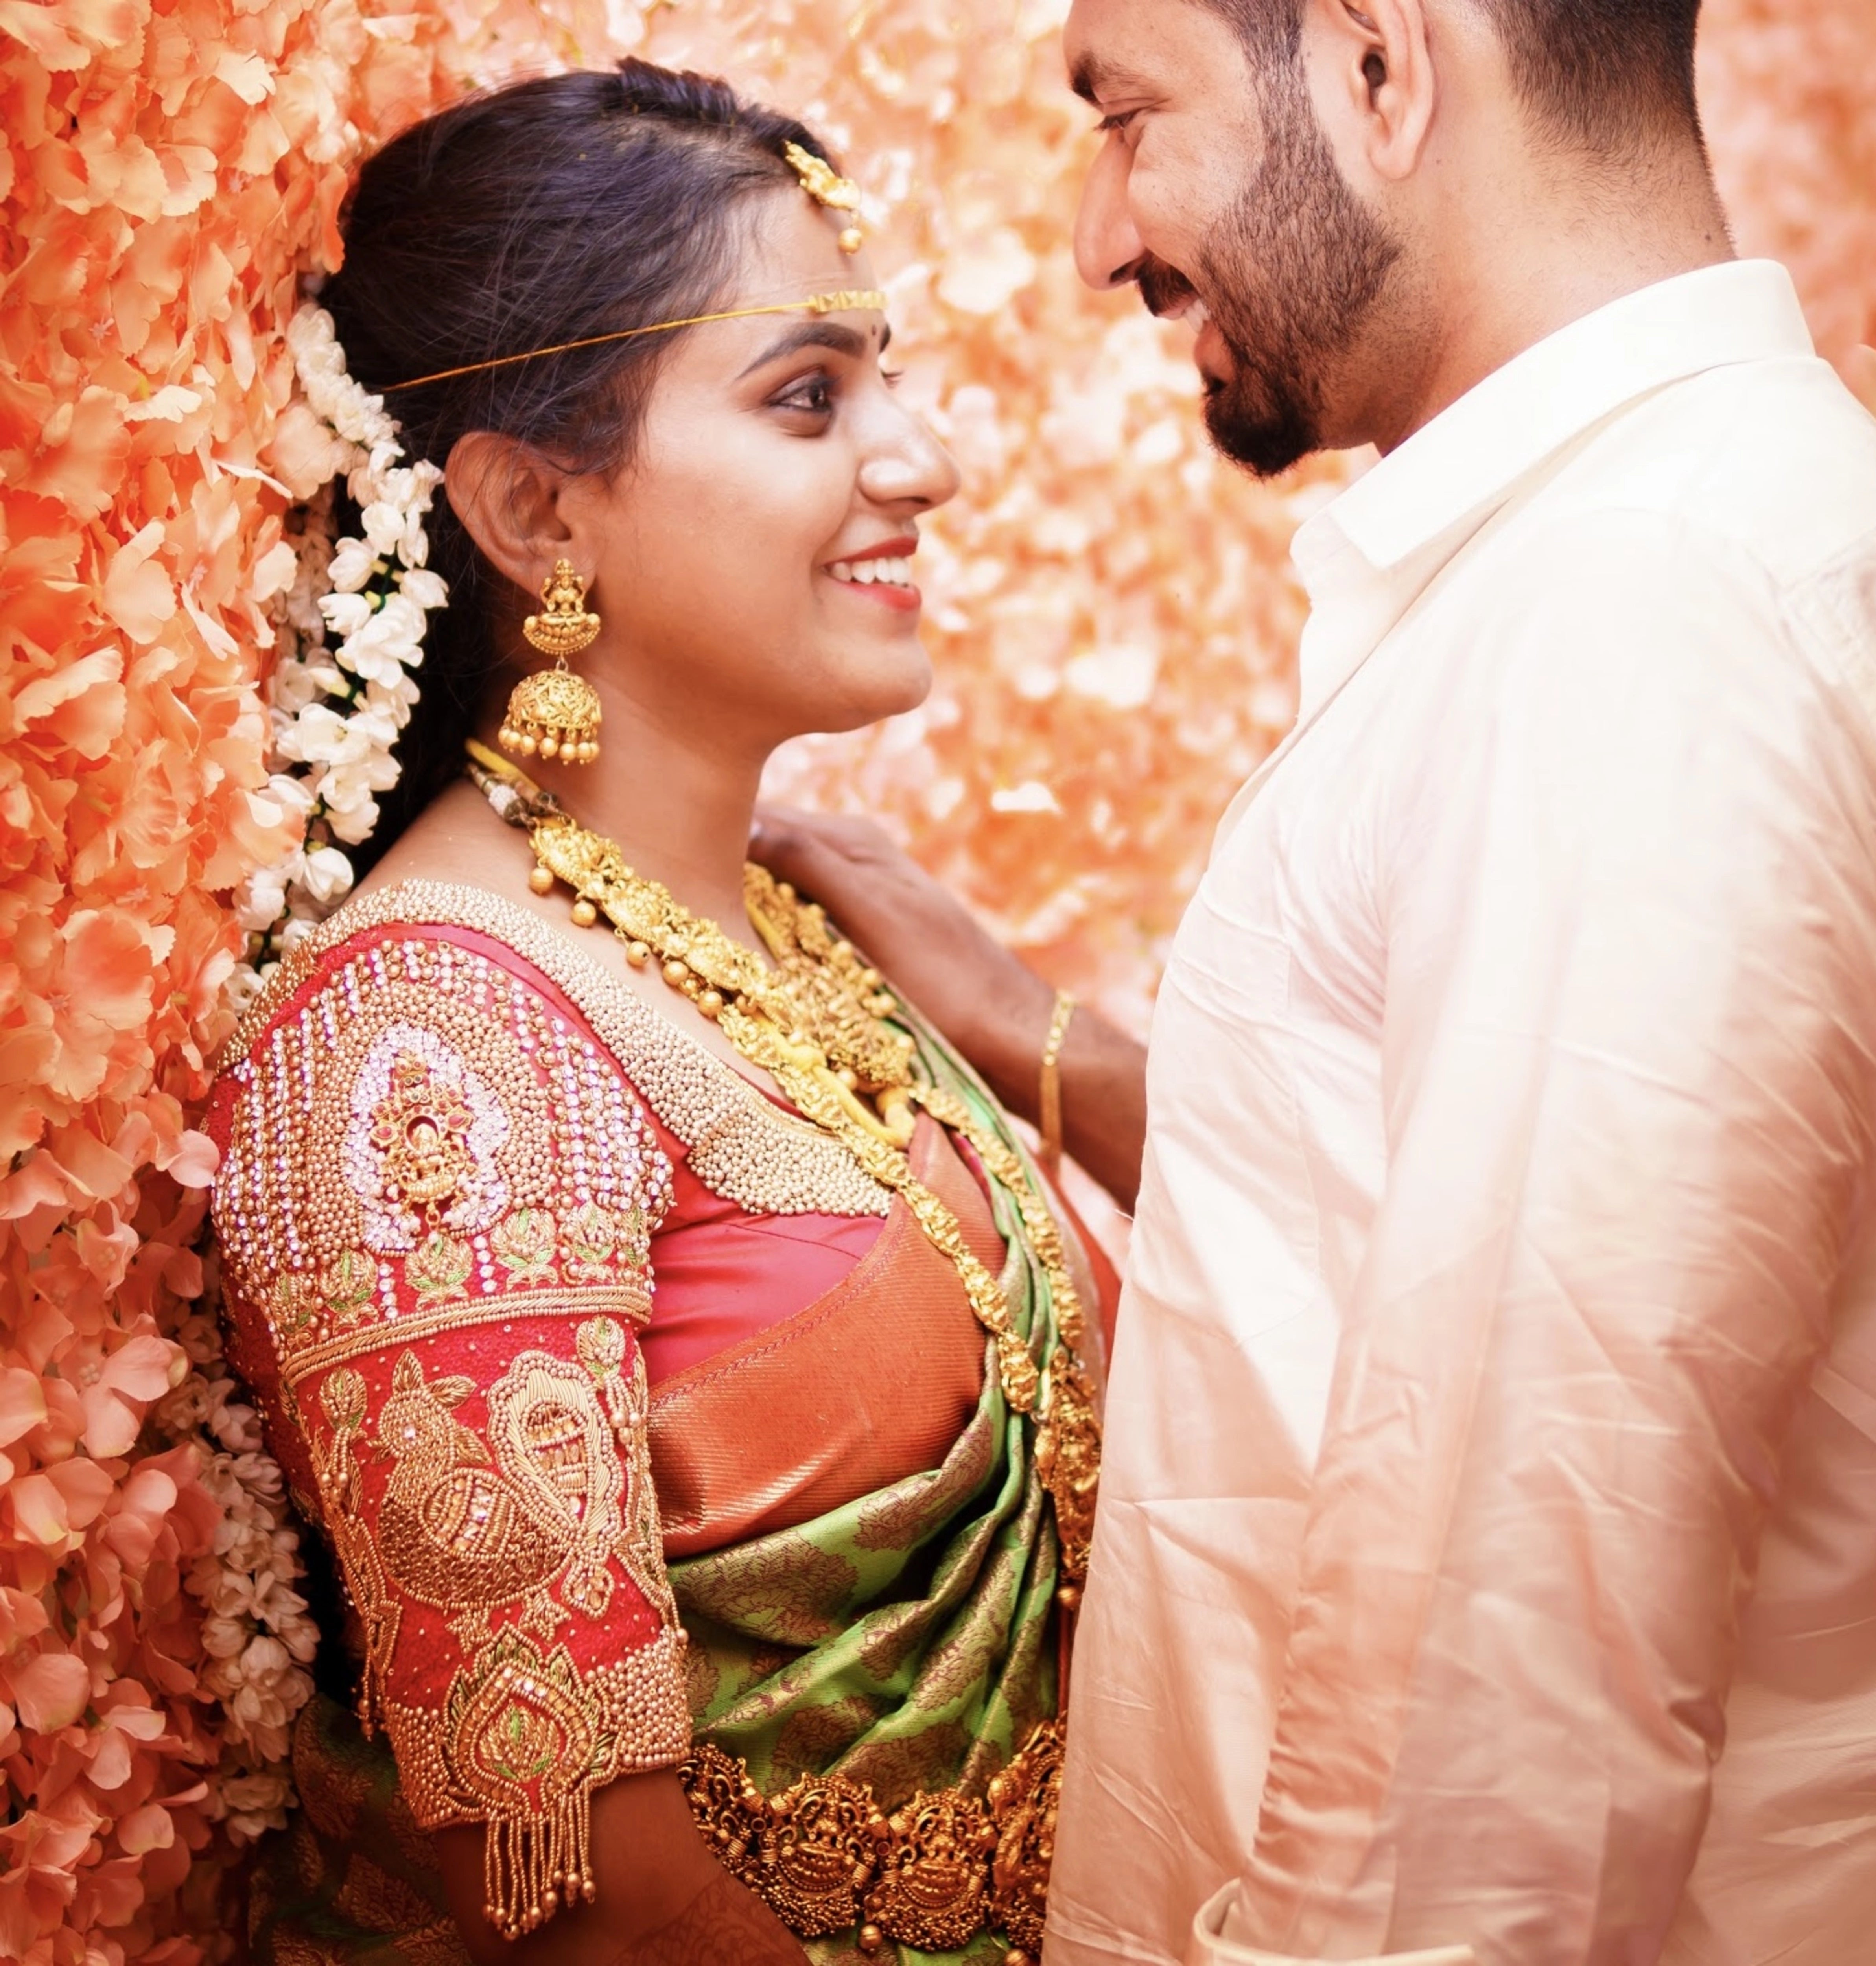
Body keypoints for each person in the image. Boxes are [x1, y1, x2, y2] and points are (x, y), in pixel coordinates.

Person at [752, 2, 1876, 1962]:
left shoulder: (1647, 603)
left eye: (1127, 118)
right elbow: (1437, 1230)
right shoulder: (1647, 549)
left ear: (1378, 69)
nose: (1099, 238)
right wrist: (1038, 1038)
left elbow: (1507, 1727)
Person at [205, 61, 1115, 1966]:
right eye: (809, 396)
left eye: (883, 378)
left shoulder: (804, 932)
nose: (922, 462)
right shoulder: (427, 1042)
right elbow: (577, 1893)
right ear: (535, 510)